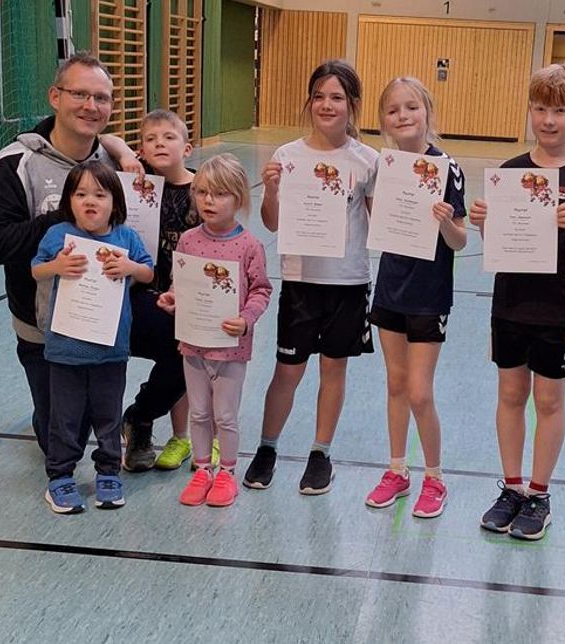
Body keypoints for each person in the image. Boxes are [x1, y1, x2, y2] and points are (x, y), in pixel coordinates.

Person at [468, 63, 565, 540]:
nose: (549, 120)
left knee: (549, 400)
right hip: (510, 304)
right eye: (541, 108)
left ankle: (540, 493)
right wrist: (483, 220)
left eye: (561, 110)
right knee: (510, 395)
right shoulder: (510, 172)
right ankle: (511, 487)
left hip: (559, 309)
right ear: (530, 110)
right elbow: (497, 244)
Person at [0, 52, 141, 455]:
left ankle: (143, 419)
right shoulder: (13, 165)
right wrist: (62, 219)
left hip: (108, 319)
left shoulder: (116, 164)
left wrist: (121, 149)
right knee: (62, 437)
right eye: (79, 94)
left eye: (101, 98)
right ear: (55, 96)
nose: (91, 106)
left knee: (183, 342)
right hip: (42, 326)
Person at [242, 60, 378, 495]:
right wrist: (275, 191)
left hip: (348, 282)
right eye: (318, 96)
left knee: (333, 370)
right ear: (309, 101)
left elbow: (379, 226)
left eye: (336, 97)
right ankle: (267, 447)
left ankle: (321, 453)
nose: (326, 104)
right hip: (301, 281)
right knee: (287, 370)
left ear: (352, 105)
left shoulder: (369, 161)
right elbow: (273, 222)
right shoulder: (287, 156)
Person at [363, 78, 466, 518]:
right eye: (392, 110)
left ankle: (435, 478)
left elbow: (459, 240)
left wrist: (445, 221)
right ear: (384, 120)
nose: (402, 116)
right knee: (395, 384)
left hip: (428, 294)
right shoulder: (384, 166)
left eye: (411, 107)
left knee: (420, 393)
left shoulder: (446, 168)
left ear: (427, 112)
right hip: (391, 287)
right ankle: (397, 470)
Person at [31, 161, 154, 514]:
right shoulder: (59, 236)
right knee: (65, 418)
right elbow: (35, 268)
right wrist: (56, 267)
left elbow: (147, 271)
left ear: (114, 201)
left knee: (108, 416)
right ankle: (60, 477)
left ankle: (109, 472)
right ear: (68, 200)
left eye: (99, 194)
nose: (90, 201)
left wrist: (131, 268)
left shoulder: (125, 237)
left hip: (111, 351)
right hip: (65, 350)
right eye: (80, 193)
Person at [157, 154, 272, 507]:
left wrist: (246, 318)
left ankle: (227, 472)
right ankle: (203, 470)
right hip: (193, 343)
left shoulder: (249, 245)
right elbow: (183, 283)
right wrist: (173, 298)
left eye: (220, 194)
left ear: (238, 198)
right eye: (202, 192)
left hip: (230, 348)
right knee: (200, 413)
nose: (209, 200)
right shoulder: (189, 240)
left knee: (224, 415)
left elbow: (262, 289)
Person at [122, 109, 199, 472]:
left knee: (185, 352)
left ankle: (139, 416)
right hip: (138, 294)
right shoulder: (132, 186)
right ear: (140, 149)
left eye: (168, 137)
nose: (159, 144)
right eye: (150, 139)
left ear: (188, 148)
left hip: (186, 300)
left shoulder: (202, 191)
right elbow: (104, 140)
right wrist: (123, 154)